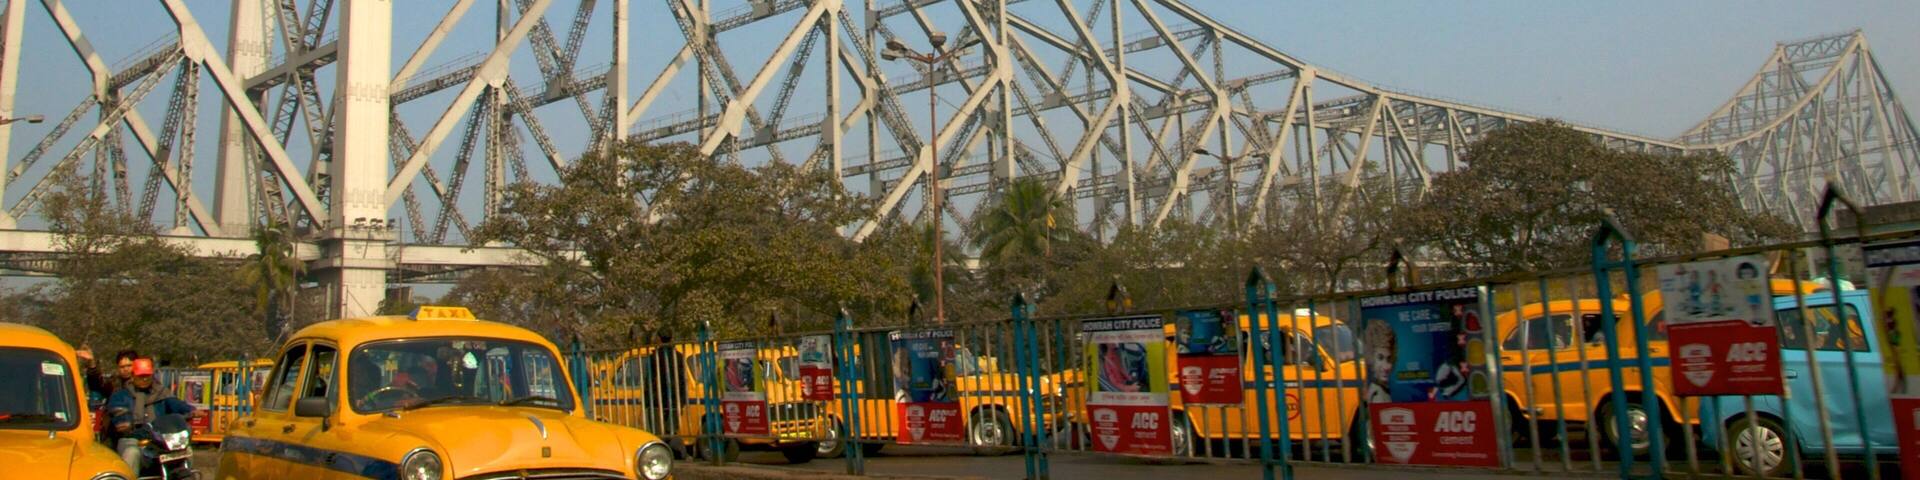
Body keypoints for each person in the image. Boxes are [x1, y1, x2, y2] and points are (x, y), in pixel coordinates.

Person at [107, 358, 196, 470]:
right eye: (140, 376)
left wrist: (191, 410)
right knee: (132, 453)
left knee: (186, 450)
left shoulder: (162, 393)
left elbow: (176, 404)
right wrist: (124, 422)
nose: (144, 379)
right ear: (133, 375)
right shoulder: (121, 395)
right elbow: (117, 412)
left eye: (147, 375)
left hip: (160, 438)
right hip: (134, 438)